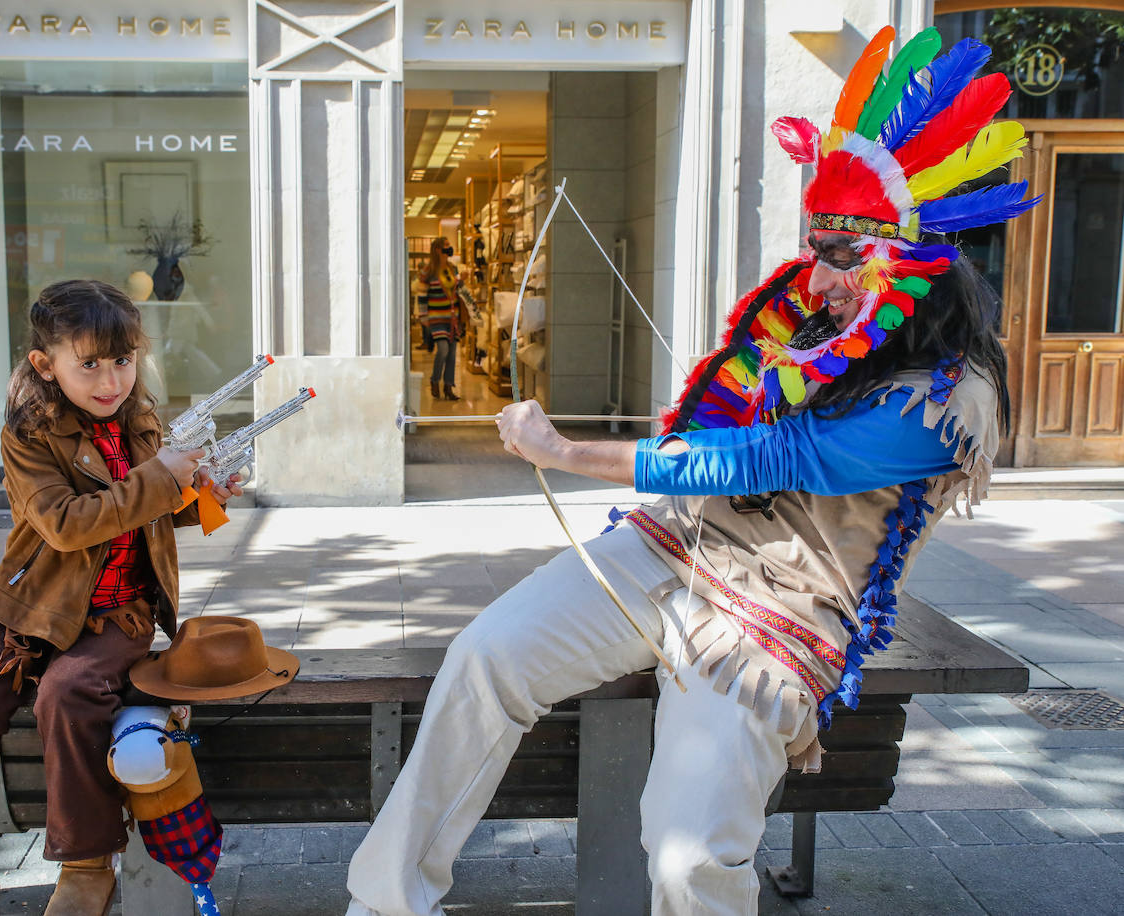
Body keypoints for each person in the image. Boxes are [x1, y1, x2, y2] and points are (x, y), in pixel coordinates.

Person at [346, 25, 1037, 916]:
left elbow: (784, 455)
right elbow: (732, 416)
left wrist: (568, 454)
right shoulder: (815, 327)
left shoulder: (950, 397)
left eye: (845, 256)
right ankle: (387, 901)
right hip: (671, 548)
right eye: (815, 249)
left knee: (686, 857)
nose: (820, 279)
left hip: (773, 619)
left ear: (913, 261)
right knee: (484, 658)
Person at [0, 279, 243, 916]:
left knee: (67, 694)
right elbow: (64, 524)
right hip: (31, 605)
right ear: (45, 364)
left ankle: (87, 866)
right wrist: (159, 479)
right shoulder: (29, 435)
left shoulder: (141, 421)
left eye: (123, 360)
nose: (111, 380)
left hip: (121, 611)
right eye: (89, 364)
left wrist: (203, 498)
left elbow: (147, 511)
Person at [417, 237, 465, 401]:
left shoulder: (452, 268)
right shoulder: (428, 271)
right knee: (443, 349)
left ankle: (448, 386)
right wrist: (423, 316)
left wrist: (461, 281)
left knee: (452, 353)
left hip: (452, 317)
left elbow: (457, 289)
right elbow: (422, 295)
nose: (449, 248)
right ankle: (435, 380)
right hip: (436, 317)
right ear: (438, 249)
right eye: (446, 245)